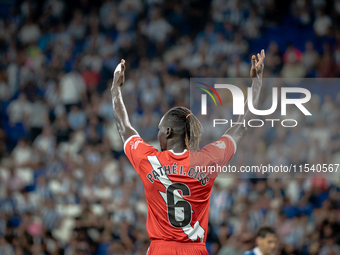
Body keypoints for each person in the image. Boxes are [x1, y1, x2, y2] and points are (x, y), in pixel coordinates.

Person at [111, 50, 265, 254]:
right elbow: (241, 127)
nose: (158, 135)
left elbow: (124, 127)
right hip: (195, 250)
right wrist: (257, 84)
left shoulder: (150, 160)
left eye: (159, 130)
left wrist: (115, 88)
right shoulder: (207, 160)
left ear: (167, 131)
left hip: (161, 249)